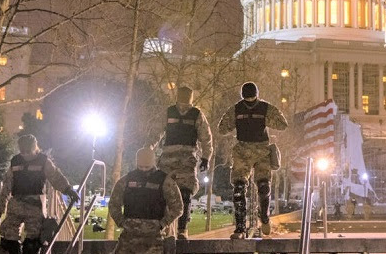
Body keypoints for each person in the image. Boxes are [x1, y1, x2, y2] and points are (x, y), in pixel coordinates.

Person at [218, 82, 287, 239]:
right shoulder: (265, 108)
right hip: (262, 150)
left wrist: (238, 122)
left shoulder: (236, 109)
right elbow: (282, 124)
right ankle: (264, 218)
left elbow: (222, 128)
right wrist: (265, 120)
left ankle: (240, 228)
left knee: (239, 188)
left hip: (242, 150)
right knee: (263, 186)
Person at [0, 135, 80, 254]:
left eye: (27, 150)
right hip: (17, 203)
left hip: (34, 205)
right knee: (9, 240)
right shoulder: (15, 161)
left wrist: (68, 189)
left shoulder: (43, 161)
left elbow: (55, 177)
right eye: (22, 151)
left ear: (34, 147)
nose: (25, 154)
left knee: (32, 243)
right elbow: (7, 185)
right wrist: (0, 207)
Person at [154, 86, 213, 240]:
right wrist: (206, 157)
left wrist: (149, 148)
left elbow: (156, 133)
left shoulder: (172, 112)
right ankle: (180, 229)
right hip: (184, 158)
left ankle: (172, 228)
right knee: (183, 194)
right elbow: (206, 138)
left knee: (170, 193)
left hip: (174, 158)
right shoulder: (196, 114)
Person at [108, 148, 183, 254]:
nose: (143, 169)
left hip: (153, 239)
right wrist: (121, 222)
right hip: (129, 236)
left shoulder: (165, 181)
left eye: (147, 167)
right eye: (140, 167)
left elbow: (178, 207)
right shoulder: (126, 180)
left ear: (153, 162)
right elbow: (113, 204)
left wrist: (162, 224)